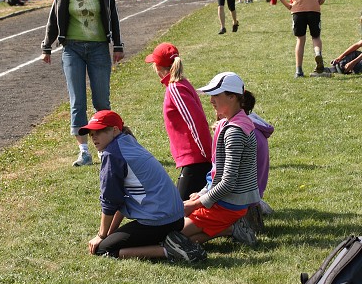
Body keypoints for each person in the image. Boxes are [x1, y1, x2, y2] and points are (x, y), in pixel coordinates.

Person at [83, 110, 207, 263]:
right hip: (176, 218)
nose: (94, 137)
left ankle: (170, 251)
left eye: (99, 131)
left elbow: (110, 200)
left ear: (114, 130)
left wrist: (101, 236)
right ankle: (169, 242)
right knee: (109, 241)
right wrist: (110, 232)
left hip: (160, 222)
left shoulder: (112, 154)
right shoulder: (126, 141)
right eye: (91, 133)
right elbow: (119, 199)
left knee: (104, 249)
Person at [41, 0, 124, 167]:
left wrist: (117, 45)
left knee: (101, 100)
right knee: (77, 100)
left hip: (98, 48)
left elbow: (113, 16)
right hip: (72, 49)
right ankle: (84, 151)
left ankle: (105, 148)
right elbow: (54, 18)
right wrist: (47, 45)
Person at [179, 72, 260, 247]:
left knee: (173, 237)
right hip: (221, 200)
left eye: (216, 95)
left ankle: (231, 227)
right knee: (176, 237)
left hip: (227, 204)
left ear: (232, 97)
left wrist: (196, 204)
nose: (211, 100)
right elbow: (218, 172)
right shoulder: (228, 123)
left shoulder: (235, 132)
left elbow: (228, 183)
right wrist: (202, 193)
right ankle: (230, 228)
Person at [145, 43, 212, 200]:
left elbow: (196, 122)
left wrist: (208, 156)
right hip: (195, 159)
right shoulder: (180, 84)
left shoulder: (175, 88)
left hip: (196, 160)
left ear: (158, 67)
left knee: (179, 211)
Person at [274, 0, 331, 78]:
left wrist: (287, 5)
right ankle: (318, 53)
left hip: (297, 10)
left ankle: (299, 70)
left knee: (300, 39)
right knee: (316, 36)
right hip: (314, 8)